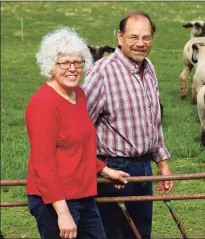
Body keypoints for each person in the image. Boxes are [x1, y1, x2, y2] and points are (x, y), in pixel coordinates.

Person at [25, 26, 130, 239]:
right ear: (51, 66)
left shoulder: (78, 95)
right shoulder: (43, 104)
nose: (72, 68)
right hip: (55, 201)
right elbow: (43, 164)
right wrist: (62, 213)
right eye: (65, 63)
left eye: (77, 62)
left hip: (84, 196)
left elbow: (78, 146)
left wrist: (103, 169)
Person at [81, 10, 174, 239]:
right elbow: (81, 126)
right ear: (119, 37)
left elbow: (154, 119)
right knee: (114, 233)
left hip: (144, 168)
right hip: (113, 170)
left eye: (146, 37)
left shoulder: (148, 67)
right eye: (134, 37)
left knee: (140, 233)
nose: (141, 44)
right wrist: (98, 168)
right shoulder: (102, 72)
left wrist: (162, 162)